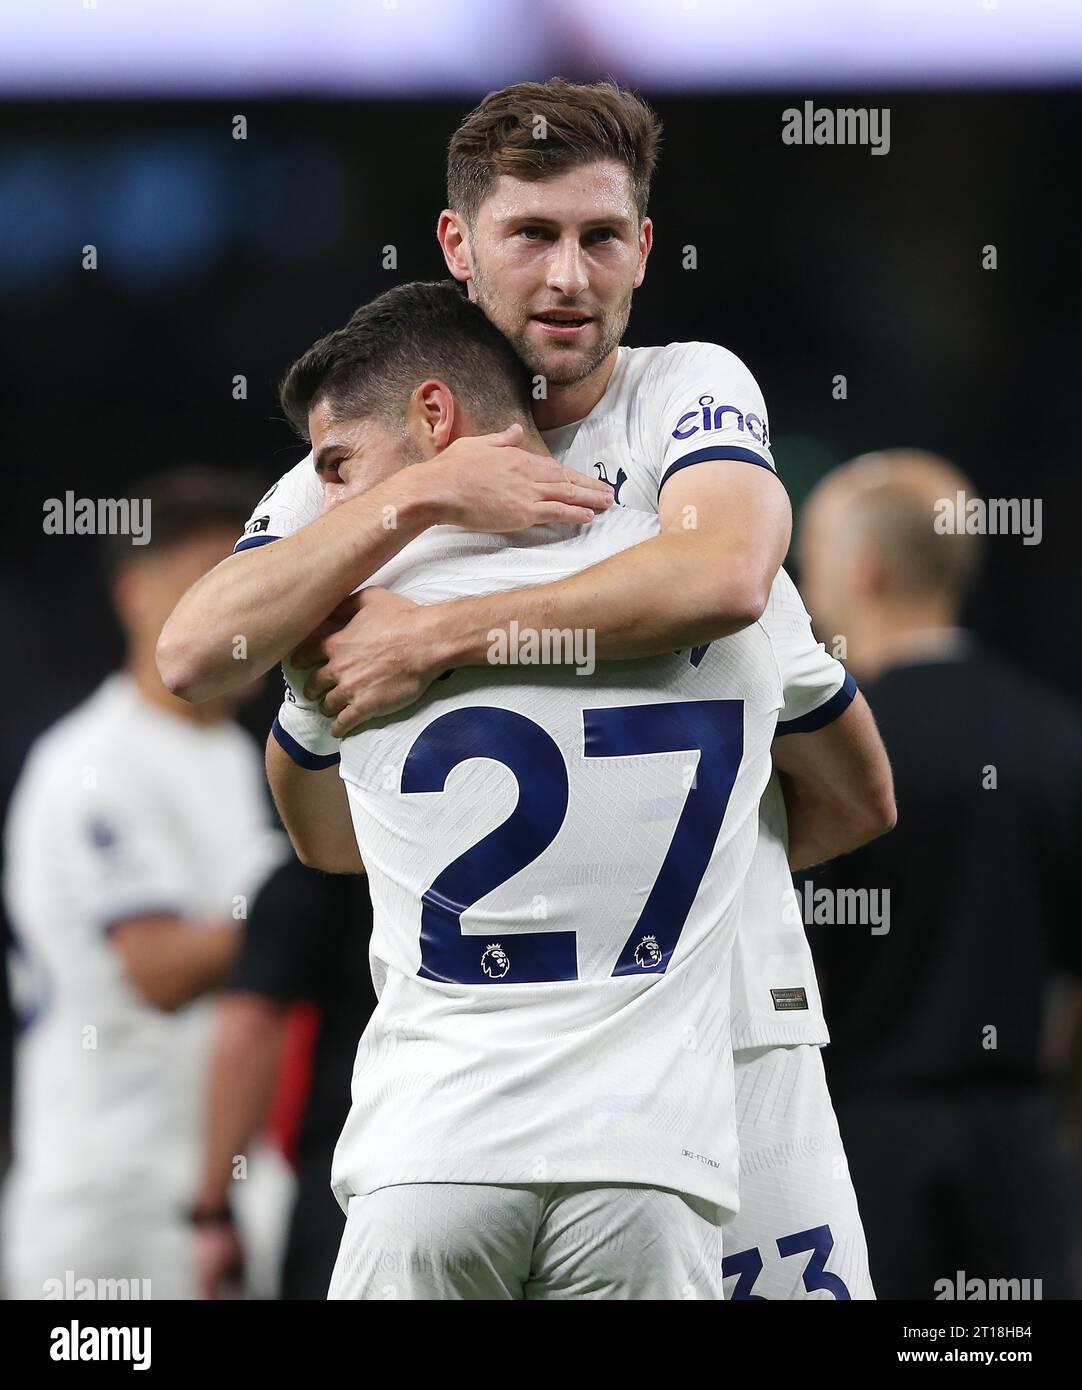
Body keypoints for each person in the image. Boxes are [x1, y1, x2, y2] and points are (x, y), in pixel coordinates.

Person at [159, 80, 894, 1297]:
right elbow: (200, 656)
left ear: (644, 248)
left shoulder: (686, 394)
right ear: (456, 245)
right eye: (531, 235)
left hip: (728, 1028)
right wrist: (422, 495)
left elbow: (724, 580)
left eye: (599, 237)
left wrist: (439, 638)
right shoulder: (382, 454)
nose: (568, 276)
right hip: (536, 1078)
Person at [798, 448, 1082, 1299]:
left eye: (812, 566)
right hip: (1018, 1158)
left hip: (855, 1155)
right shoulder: (1056, 740)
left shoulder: (822, 759)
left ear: (868, 569)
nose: (808, 598)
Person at [2, 469, 282, 1299]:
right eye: (213, 580)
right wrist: (312, 917)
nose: (244, 610)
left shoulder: (238, 758)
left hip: (222, 1186)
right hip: (111, 1207)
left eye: (257, 579)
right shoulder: (94, 761)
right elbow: (158, 967)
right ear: (136, 595)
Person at [193, 859, 377, 1300]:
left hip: (352, 1191)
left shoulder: (313, 878)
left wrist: (211, 1211)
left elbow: (248, 1030)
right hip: (536, 1162)